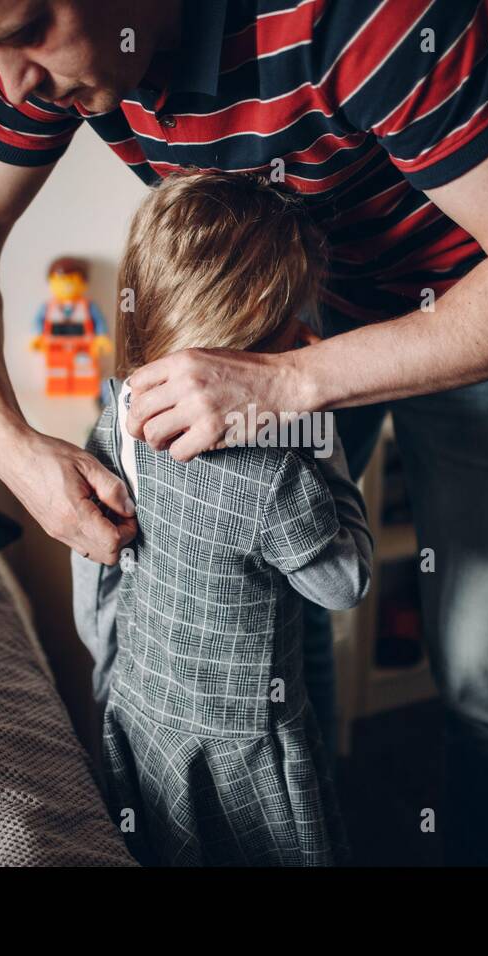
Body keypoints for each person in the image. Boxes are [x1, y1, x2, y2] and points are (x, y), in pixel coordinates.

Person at [0, 0, 488, 865]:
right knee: (282, 618)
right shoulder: (33, 59)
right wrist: (7, 444)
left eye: (25, 28)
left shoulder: (381, 17)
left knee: (480, 666)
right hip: (300, 315)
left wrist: (292, 381)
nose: (10, 76)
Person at [71, 171, 371, 865]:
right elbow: (344, 581)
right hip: (243, 748)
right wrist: (317, 431)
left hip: (141, 709)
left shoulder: (115, 419)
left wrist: (111, 671)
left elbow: (96, 566)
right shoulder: (277, 478)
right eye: (301, 317)